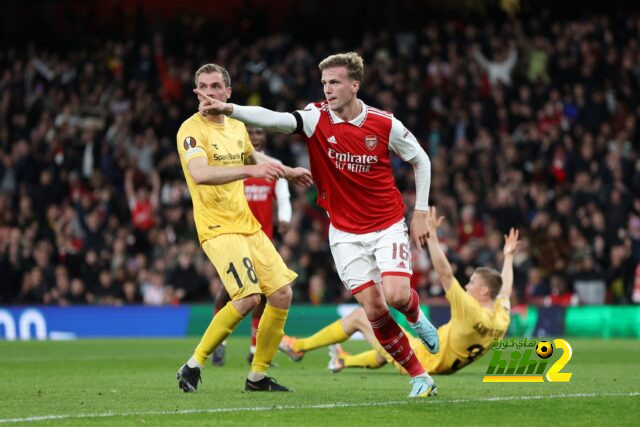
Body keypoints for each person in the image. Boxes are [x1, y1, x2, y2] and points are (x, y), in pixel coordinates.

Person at [197, 52, 439, 397]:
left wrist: (420, 212)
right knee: (374, 308)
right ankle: (419, 376)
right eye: (324, 82)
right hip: (344, 233)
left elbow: (421, 160)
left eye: (335, 82)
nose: (328, 89)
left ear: (355, 85)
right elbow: (275, 120)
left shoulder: (385, 124)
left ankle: (417, 318)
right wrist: (229, 109)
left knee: (398, 296)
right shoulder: (315, 117)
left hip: (386, 224)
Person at [175, 63, 312, 393]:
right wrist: (249, 172)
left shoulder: (237, 127)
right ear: (197, 92)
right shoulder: (190, 131)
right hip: (218, 228)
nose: (209, 92)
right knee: (249, 296)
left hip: (247, 226)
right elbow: (201, 174)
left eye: (215, 86)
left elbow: (256, 160)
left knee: (281, 293)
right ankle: (193, 365)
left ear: (227, 92)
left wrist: (288, 171)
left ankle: (258, 376)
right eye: (203, 86)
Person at [280, 214, 517, 378]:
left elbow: (445, 275)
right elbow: (505, 290)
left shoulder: (470, 309)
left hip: (421, 359)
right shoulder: (500, 319)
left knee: (361, 316)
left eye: (473, 283)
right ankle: (344, 361)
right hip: (441, 363)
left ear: (485, 291)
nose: (467, 286)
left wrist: (432, 236)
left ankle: (299, 346)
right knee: (386, 347)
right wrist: (508, 256)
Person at [211, 126, 293, 366]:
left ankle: (254, 350)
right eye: (251, 134)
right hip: (234, 236)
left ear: (265, 136)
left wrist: (285, 218)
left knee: (264, 297)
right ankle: (219, 345)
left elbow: (284, 196)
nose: (256, 137)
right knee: (228, 291)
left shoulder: (273, 165)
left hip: (262, 239)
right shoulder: (234, 164)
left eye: (259, 133)